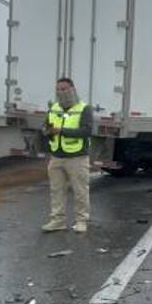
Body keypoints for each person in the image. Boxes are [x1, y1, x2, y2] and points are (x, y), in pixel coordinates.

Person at [41, 77, 93, 233]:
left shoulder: (84, 108)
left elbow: (86, 131)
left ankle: (81, 220)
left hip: (77, 157)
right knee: (56, 190)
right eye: (58, 89)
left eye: (64, 89)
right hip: (56, 156)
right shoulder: (54, 107)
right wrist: (47, 131)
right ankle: (57, 220)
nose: (61, 92)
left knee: (80, 190)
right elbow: (46, 126)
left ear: (72, 89)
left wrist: (61, 131)